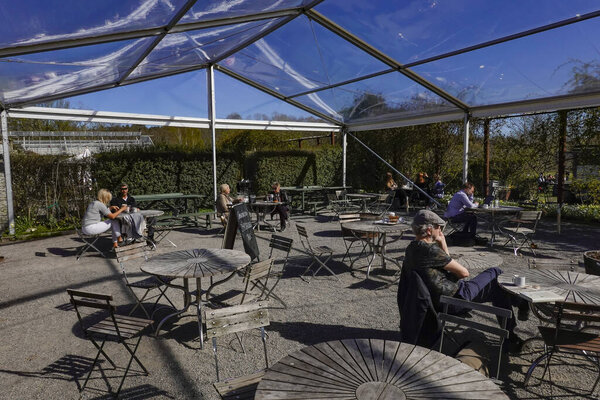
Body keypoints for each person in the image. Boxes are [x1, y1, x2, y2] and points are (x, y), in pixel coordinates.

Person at [398, 210, 527, 352]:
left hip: (437, 301)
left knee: (498, 290)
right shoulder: (429, 250)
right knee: (495, 271)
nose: (440, 230)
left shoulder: (412, 248)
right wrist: (443, 247)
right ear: (429, 230)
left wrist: (442, 242)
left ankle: (511, 336)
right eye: (438, 227)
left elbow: (446, 264)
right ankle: (521, 302)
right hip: (455, 299)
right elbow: (463, 272)